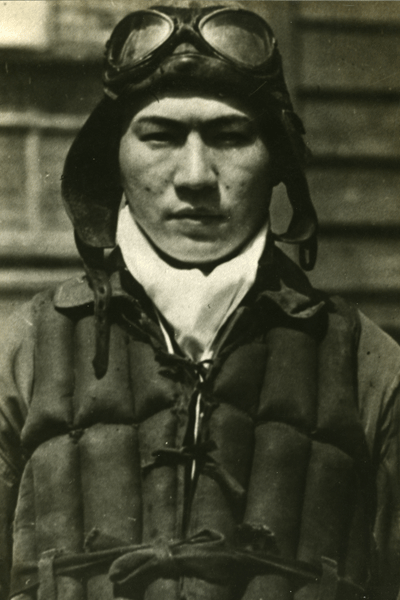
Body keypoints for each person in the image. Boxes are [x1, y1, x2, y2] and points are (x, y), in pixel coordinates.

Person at [1, 4, 400, 600]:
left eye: (230, 136)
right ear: (113, 155)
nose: (195, 176)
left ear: (278, 160)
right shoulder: (22, 356)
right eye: (160, 136)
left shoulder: (370, 369)